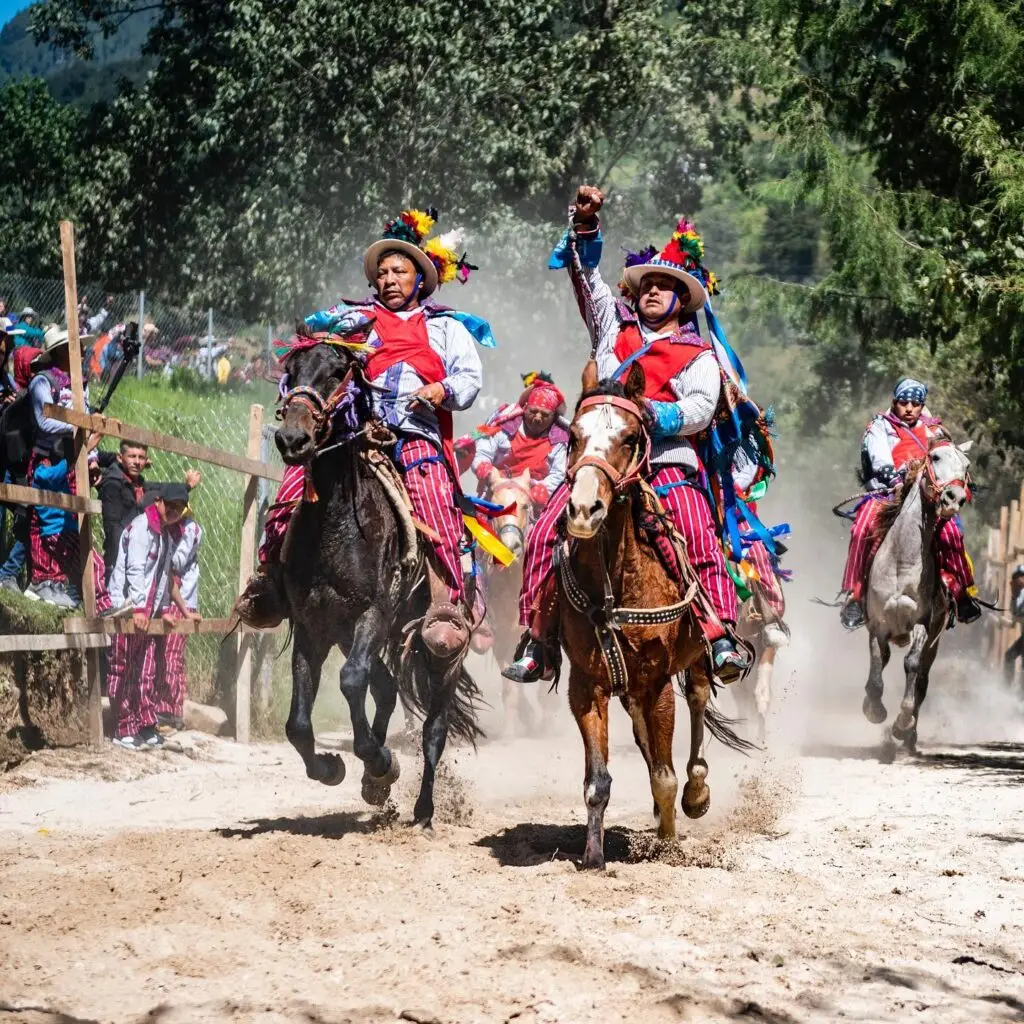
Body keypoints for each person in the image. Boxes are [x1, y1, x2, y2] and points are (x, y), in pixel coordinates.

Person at [504, 185, 748, 684]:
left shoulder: (700, 354)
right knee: (550, 530)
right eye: (648, 284)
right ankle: (538, 638)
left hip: (666, 465)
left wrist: (652, 416)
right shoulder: (612, 329)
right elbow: (587, 277)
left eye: (666, 285)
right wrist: (587, 223)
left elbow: (701, 408)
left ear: (683, 298)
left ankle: (719, 634)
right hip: (602, 459)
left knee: (699, 537)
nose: (654, 291)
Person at [237, 207, 491, 654]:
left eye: (401, 271)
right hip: (351, 431)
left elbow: (469, 381)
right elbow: (309, 352)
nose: (390, 278)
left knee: (434, 498)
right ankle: (272, 580)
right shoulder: (349, 320)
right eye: (383, 272)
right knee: (296, 483)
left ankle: (443, 601)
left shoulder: (447, 327)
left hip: (413, 434)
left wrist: (440, 389)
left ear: (420, 279)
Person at [839, 376, 979, 629]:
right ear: (895, 402)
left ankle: (962, 594)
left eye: (915, 404)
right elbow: (880, 459)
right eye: (904, 402)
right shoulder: (880, 427)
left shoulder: (934, 430)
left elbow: (949, 457)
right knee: (861, 530)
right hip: (886, 494)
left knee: (952, 535)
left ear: (922, 405)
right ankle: (856, 597)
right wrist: (897, 474)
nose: (909, 409)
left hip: (927, 497)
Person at [106, 483, 192, 749]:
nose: (175, 512)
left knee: (146, 668)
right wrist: (139, 607)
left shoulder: (165, 536)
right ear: (159, 502)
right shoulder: (142, 528)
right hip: (127, 608)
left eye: (180, 509)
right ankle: (123, 728)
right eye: (171, 506)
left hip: (149, 612)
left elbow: (163, 575)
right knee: (124, 666)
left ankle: (145, 724)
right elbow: (134, 569)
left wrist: (164, 609)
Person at [23, 326, 100, 607]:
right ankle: (41, 580)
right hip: (48, 457)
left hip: (70, 458)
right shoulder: (43, 382)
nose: (80, 353)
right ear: (60, 352)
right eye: (74, 348)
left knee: (66, 519)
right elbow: (45, 420)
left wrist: (90, 455)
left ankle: (59, 581)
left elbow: (87, 417)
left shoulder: (79, 383)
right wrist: (79, 423)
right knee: (44, 518)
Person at [96, 438, 201, 582]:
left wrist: (187, 486)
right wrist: (120, 562)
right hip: (120, 557)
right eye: (132, 456)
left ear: (147, 460)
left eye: (141, 457)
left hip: (139, 556)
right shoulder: (113, 484)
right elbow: (113, 529)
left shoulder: (139, 484)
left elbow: (162, 489)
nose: (137, 462)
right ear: (120, 458)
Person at [471, 373, 568, 508]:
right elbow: (482, 445)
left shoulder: (561, 440)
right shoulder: (504, 421)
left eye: (545, 415)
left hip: (533, 505)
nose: (538, 418)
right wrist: (483, 466)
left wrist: (544, 490)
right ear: (525, 407)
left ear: (554, 417)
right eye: (533, 411)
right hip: (496, 494)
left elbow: (559, 474)